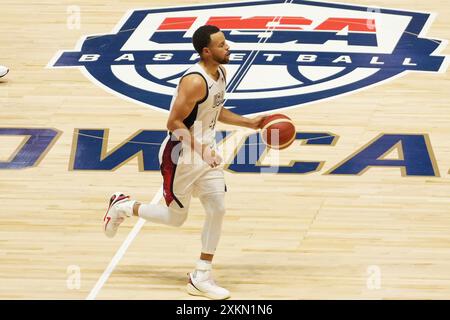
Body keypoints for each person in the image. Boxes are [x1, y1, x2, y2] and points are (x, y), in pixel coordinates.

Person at [103, 25, 266, 300]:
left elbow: (214, 109)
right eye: (221, 44)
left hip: (205, 152)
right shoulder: (194, 81)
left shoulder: (220, 73)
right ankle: (124, 206)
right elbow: (174, 123)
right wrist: (202, 150)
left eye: (225, 42)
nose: (228, 47)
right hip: (181, 156)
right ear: (206, 51)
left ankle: (201, 275)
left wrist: (247, 122)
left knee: (218, 209)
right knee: (175, 218)